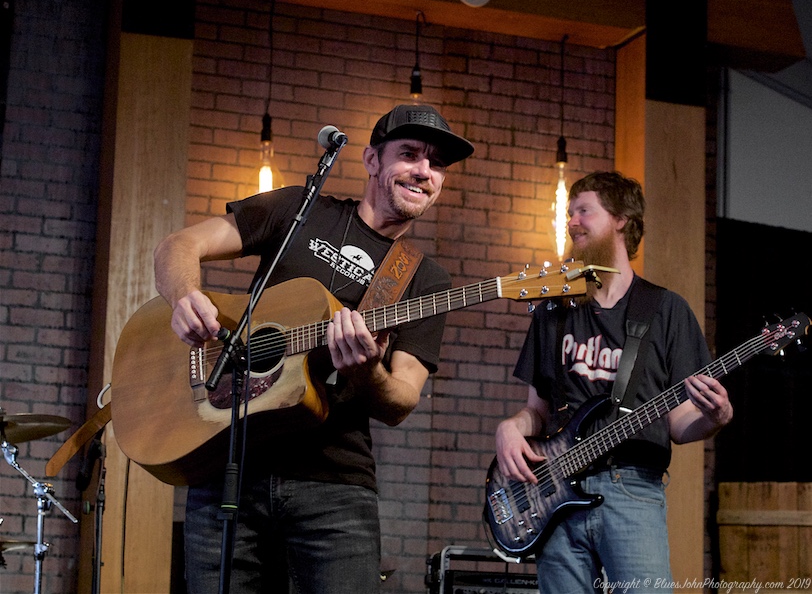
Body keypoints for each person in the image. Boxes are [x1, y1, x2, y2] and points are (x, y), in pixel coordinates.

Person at [153, 104, 474, 593]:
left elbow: (402, 399)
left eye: (437, 165)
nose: (424, 172)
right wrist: (184, 298)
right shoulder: (298, 209)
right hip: (230, 469)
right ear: (370, 160)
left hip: (335, 489)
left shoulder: (424, 279)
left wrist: (367, 371)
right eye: (409, 154)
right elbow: (177, 246)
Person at [494, 171, 733, 593]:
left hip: (633, 492)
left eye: (584, 210)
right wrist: (510, 427)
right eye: (570, 213)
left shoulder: (666, 309)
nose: (572, 222)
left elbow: (679, 425)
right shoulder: (556, 308)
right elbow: (537, 410)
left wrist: (715, 417)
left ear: (621, 219)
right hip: (557, 497)